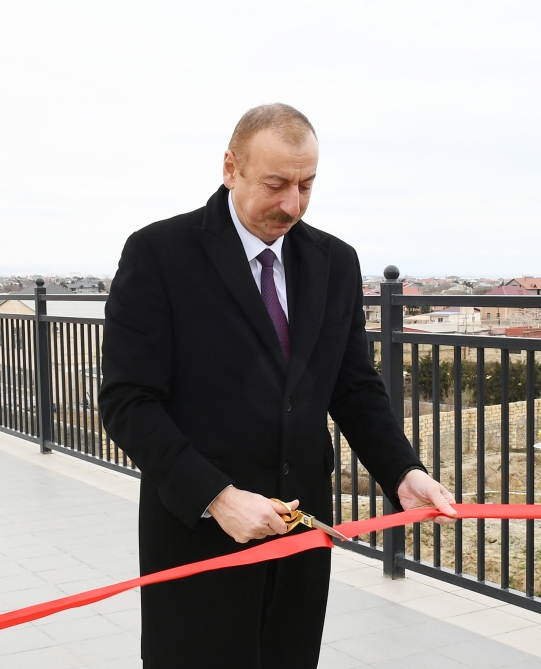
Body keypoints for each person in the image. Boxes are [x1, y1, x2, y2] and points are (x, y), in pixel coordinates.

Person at [99, 103, 456, 669]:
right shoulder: (159, 253)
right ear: (230, 168)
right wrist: (217, 497)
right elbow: (128, 401)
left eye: (306, 186)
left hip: (302, 535)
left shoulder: (336, 261)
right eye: (276, 185)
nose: (292, 205)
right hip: (198, 534)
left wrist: (403, 472)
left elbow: (354, 387)